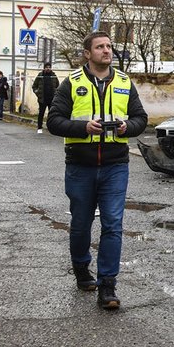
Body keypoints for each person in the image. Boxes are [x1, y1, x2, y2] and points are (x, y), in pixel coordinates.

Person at [47, 30, 147, 310]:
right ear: (87, 53)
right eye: (100, 47)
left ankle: (108, 286)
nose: (107, 51)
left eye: (109, 46)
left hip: (116, 165)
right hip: (81, 165)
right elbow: (54, 121)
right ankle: (81, 269)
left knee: (113, 224)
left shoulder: (125, 83)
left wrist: (129, 127)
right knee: (81, 223)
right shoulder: (72, 82)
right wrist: (83, 127)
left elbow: (141, 118)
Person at [32, 62, 59, 134]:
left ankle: (51, 128)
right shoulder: (40, 75)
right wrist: (37, 92)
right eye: (46, 67)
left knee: (52, 114)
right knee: (41, 113)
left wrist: (56, 93)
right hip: (42, 99)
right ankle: (39, 128)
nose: (48, 68)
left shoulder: (53, 76)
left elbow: (58, 86)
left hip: (52, 99)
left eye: (49, 67)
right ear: (44, 68)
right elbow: (34, 86)